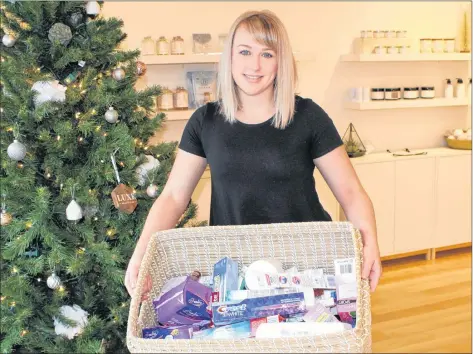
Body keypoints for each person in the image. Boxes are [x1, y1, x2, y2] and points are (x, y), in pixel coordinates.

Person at [125, 10, 382, 300]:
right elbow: (173, 196)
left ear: (281, 62)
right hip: (236, 273)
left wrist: (369, 241)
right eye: (245, 51)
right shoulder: (205, 121)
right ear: (230, 57)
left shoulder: (308, 117)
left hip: (306, 269)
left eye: (267, 54)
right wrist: (142, 252)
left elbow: (350, 192)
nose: (255, 65)